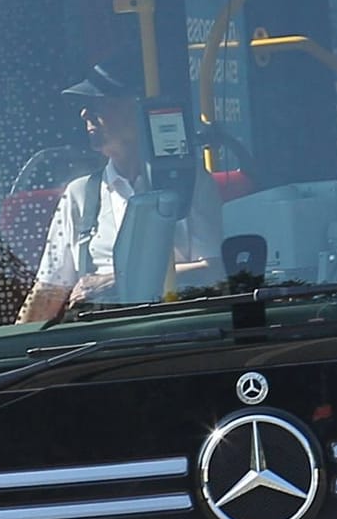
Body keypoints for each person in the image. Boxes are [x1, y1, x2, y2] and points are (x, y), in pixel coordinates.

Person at [17, 60, 223, 323]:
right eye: (84, 106)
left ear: (138, 109)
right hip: (104, 342)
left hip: (176, 330)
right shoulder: (79, 195)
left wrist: (114, 282)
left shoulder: (190, 183)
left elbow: (213, 273)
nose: (84, 114)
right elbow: (47, 291)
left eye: (98, 104)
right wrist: (7, 350)